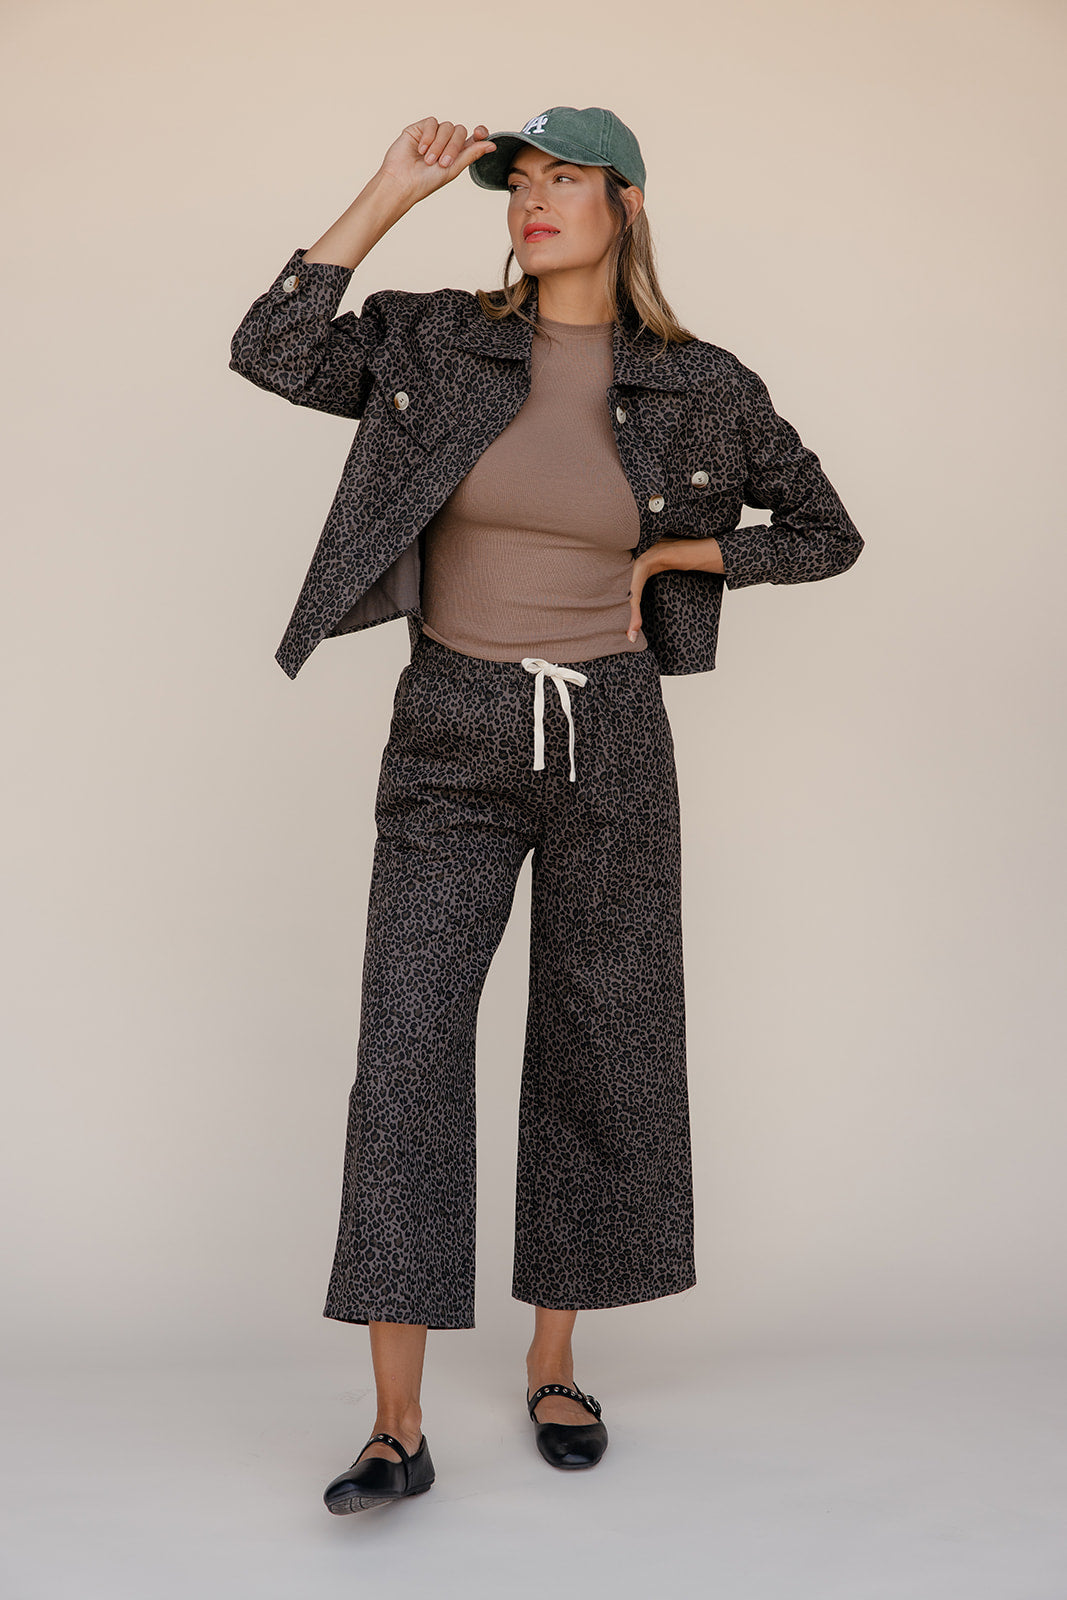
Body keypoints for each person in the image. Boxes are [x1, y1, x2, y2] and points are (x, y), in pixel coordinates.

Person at [228, 105, 864, 1514]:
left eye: (566, 180)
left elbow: (827, 529)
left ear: (625, 204)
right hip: (450, 729)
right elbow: (271, 349)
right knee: (406, 1049)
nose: (534, 200)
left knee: (593, 1046)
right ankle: (395, 1423)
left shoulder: (703, 385)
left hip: (615, 736)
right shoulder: (436, 340)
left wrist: (687, 555)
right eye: (522, 181)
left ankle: (556, 1363)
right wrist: (386, 191)